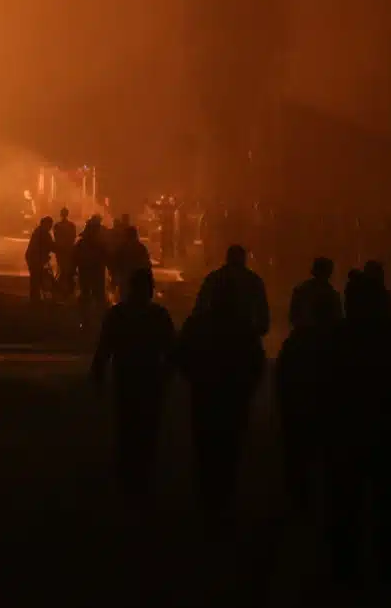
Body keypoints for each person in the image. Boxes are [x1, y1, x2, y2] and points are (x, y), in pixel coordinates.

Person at [325, 265, 391, 587]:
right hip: (387, 434)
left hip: (351, 437)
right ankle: (390, 571)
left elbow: (326, 388)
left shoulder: (341, 337)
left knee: (347, 509)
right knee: (389, 509)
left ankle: (347, 574)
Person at [178, 244, 270, 522]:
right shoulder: (253, 287)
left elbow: (183, 351)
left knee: (206, 442)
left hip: (206, 390)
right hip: (235, 390)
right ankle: (223, 496)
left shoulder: (211, 285)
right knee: (231, 442)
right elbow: (262, 331)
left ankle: (208, 496)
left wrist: (195, 376)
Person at [92, 267, 178, 496]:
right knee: (147, 428)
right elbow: (173, 352)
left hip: (126, 377)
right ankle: (142, 474)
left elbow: (104, 349)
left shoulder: (117, 315)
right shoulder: (159, 316)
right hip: (150, 379)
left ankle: (127, 473)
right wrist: (168, 377)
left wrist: (98, 375)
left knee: (127, 425)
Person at [277, 257, 343, 511]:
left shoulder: (302, 294)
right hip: (320, 391)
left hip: (299, 394)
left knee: (297, 445)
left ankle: (298, 492)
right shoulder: (332, 297)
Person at [76, 215, 110, 328]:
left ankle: (89, 319)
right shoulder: (99, 243)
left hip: (89, 272)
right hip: (93, 272)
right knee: (95, 295)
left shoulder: (86, 243)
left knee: (91, 295)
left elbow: (75, 257)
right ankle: (93, 319)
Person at [113, 221, 152, 295]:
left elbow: (116, 264)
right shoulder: (140, 247)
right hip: (137, 280)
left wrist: (115, 279)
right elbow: (147, 264)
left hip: (126, 279)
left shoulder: (122, 248)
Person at [26, 216, 57, 305]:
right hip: (35, 258)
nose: (50, 227)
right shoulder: (43, 233)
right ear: (45, 224)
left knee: (35, 278)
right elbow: (51, 246)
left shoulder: (39, 231)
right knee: (36, 277)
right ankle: (35, 300)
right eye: (49, 225)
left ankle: (35, 299)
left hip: (33, 257)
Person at [53, 208, 79, 300]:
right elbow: (73, 237)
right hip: (68, 251)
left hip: (61, 252)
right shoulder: (71, 225)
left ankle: (62, 291)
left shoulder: (57, 226)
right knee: (67, 271)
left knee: (62, 270)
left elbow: (56, 238)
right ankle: (67, 291)